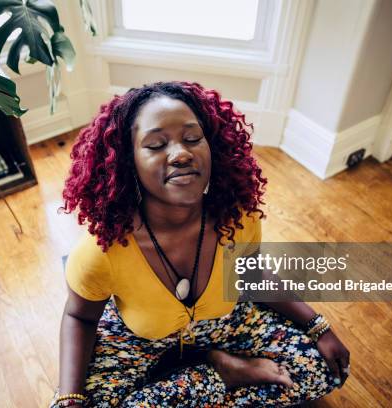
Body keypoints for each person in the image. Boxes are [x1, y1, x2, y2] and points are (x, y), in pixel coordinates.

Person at [52, 81, 350, 407]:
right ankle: (220, 375)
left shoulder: (237, 217)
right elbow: (80, 318)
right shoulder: (102, 250)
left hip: (226, 324)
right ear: (128, 162)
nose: (181, 153)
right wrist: (69, 397)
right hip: (138, 340)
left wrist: (318, 327)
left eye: (193, 139)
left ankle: (204, 376)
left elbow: (253, 277)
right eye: (155, 145)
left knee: (318, 369)